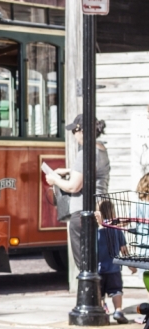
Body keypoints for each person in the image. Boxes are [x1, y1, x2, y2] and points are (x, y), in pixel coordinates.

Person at [45, 114, 110, 270]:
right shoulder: (101, 149)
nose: (74, 135)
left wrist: (54, 180)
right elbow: (94, 171)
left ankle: (91, 293)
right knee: (94, 261)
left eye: (74, 131)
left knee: (84, 265)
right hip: (98, 208)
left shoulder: (85, 153)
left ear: (82, 131)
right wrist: (69, 170)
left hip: (82, 211)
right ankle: (97, 292)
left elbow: (74, 187)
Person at [96, 200, 137, 324]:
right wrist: (131, 266)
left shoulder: (95, 232)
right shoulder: (116, 230)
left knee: (99, 293)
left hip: (98, 270)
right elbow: (124, 250)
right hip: (114, 269)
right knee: (116, 291)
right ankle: (118, 311)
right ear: (113, 212)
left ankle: (103, 308)